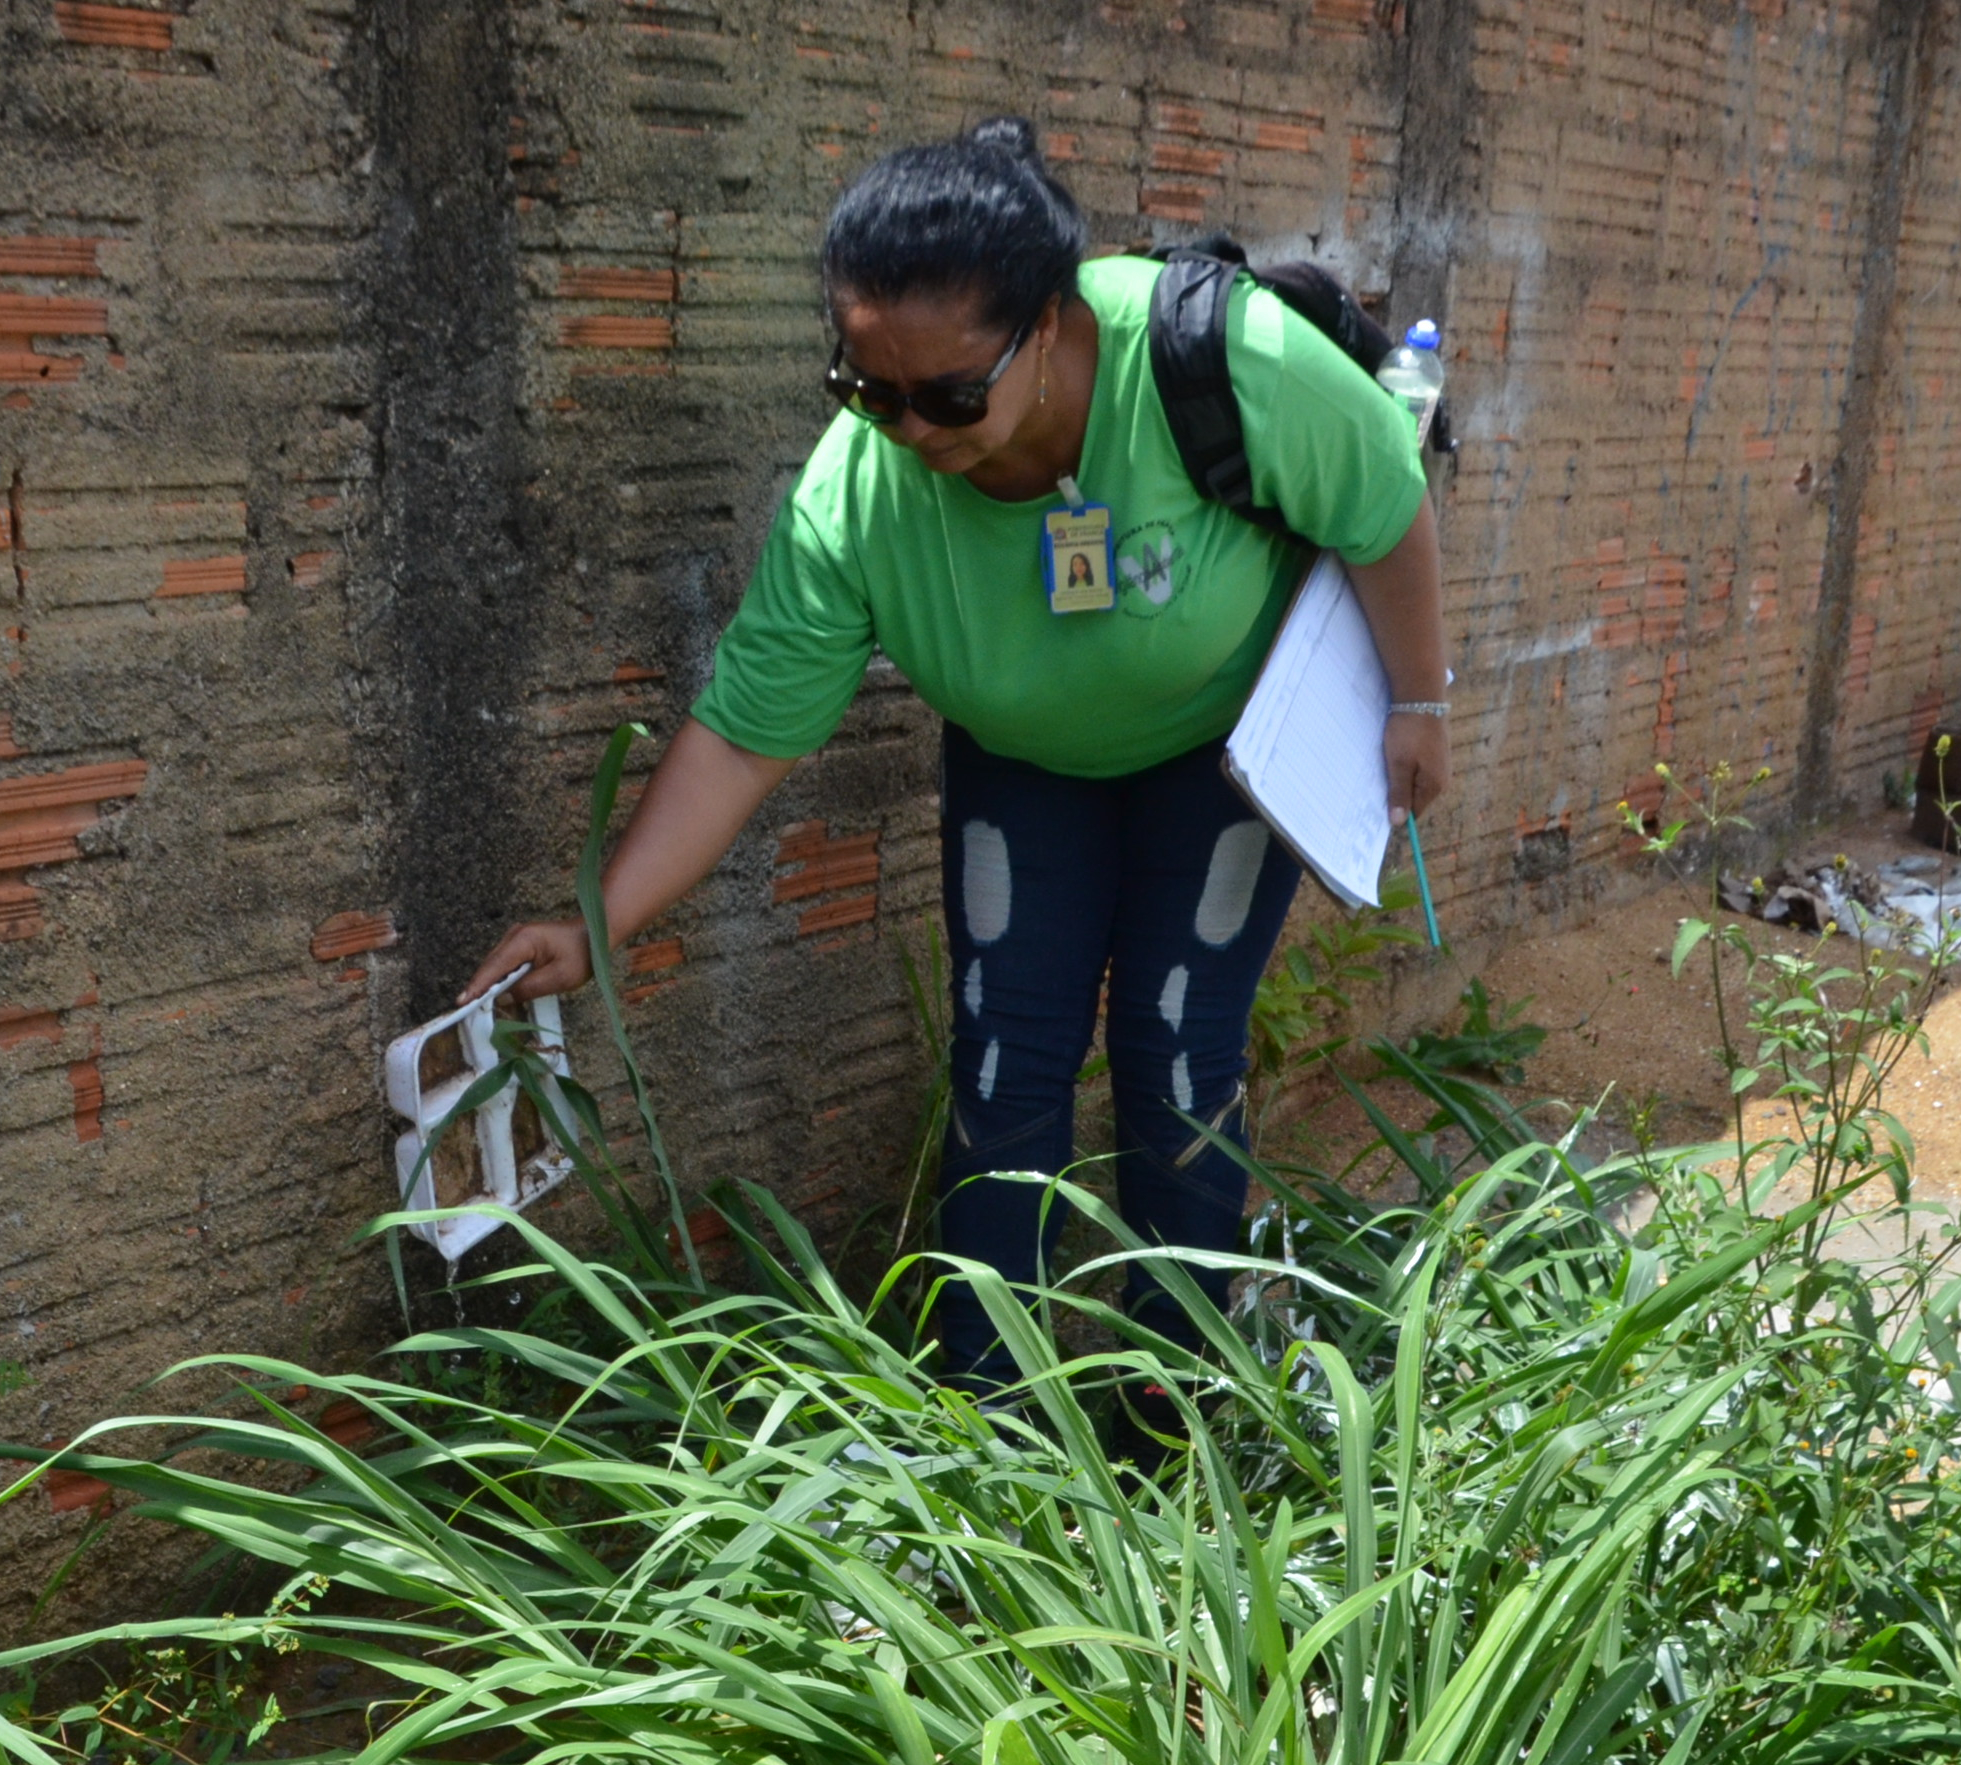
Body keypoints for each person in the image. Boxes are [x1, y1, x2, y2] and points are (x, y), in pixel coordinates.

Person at [463, 116, 1449, 1389]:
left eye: (948, 396)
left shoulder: (1221, 361)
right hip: (1024, 759)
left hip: (1221, 752)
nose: (909, 432)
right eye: (868, 390)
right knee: (1002, 1067)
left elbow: (1384, 502)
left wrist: (1417, 703)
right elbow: (746, 731)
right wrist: (597, 925)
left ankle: (1187, 1410)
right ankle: (986, 1422)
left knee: (1176, 1057)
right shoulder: (859, 494)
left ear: (1050, 325)